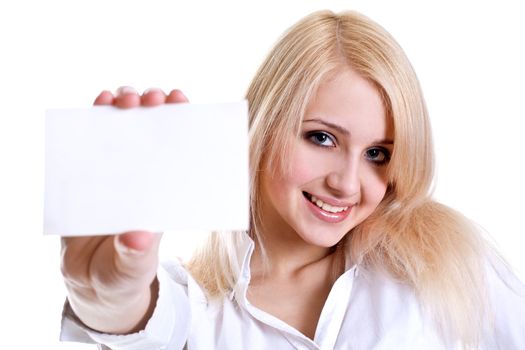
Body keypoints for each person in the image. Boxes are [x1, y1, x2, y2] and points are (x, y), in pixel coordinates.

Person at [60, 10, 525, 349]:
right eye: (321, 138)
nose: (347, 183)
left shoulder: (443, 261)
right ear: (264, 126)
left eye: (377, 154)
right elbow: (141, 321)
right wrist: (104, 297)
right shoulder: (197, 309)